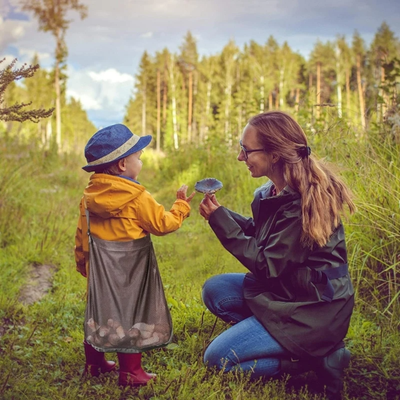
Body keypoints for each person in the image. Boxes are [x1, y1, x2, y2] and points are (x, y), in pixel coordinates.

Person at [199, 111, 355, 400]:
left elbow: (266, 264)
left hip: (315, 311)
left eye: (246, 150)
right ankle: (271, 337)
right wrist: (220, 214)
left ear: (274, 154)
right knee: (216, 290)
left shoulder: (303, 201)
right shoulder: (270, 191)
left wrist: (220, 221)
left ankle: (314, 358)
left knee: (218, 359)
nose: (240, 157)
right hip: (287, 293)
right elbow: (263, 236)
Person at [75, 124, 195, 387]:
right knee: (130, 317)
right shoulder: (138, 197)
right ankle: (130, 372)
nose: (140, 161)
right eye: (137, 157)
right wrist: (181, 206)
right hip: (131, 275)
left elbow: (83, 235)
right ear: (122, 166)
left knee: (98, 313)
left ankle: (94, 364)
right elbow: (162, 225)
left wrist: (84, 264)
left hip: (101, 274)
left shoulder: (88, 197)